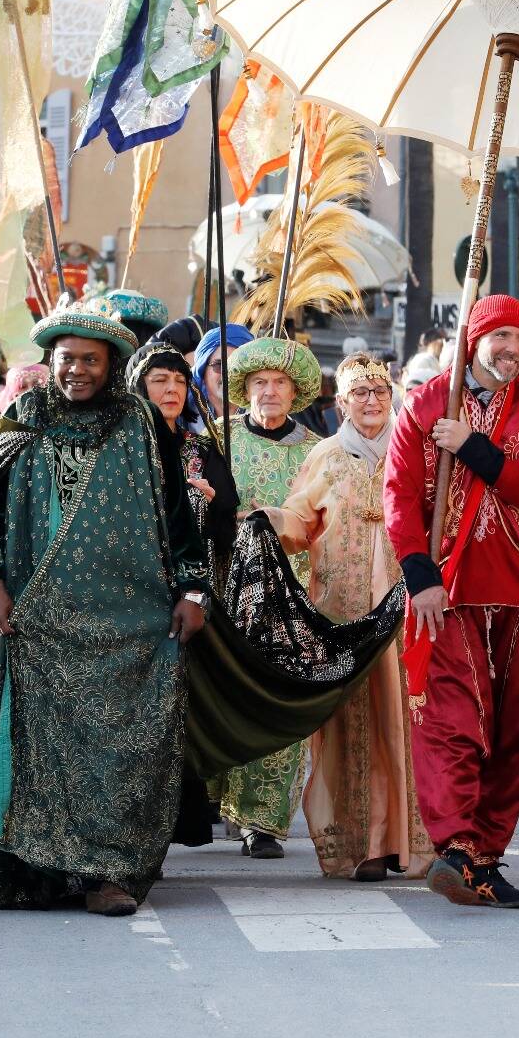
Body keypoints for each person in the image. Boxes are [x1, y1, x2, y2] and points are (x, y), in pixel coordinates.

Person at [0, 310, 210, 917]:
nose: (76, 370)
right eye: (66, 358)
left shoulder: (142, 421)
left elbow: (177, 513)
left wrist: (193, 591)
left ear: (111, 365)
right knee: (37, 752)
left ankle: (110, 876)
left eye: (89, 360)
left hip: (129, 621)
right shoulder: (23, 418)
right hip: (36, 620)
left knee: (117, 750)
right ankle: (39, 874)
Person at [384, 294, 519, 910]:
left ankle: (486, 857)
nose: (513, 351)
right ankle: (456, 849)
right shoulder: (428, 401)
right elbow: (401, 496)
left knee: (513, 727)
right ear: (474, 339)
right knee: (453, 724)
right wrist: (418, 572)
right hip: (449, 590)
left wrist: (473, 448)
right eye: (502, 339)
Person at [269, 352, 430, 882]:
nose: (370, 401)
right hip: (341, 611)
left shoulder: (414, 453)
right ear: (340, 403)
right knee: (349, 726)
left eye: (379, 391)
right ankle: (361, 844)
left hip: (405, 612)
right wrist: (263, 522)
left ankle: (408, 843)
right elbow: (299, 520)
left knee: (404, 722)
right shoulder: (326, 458)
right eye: (358, 392)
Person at [218, 336, 323, 859]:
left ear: (295, 390)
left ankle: (265, 820)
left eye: (279, 383)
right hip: (229, 585)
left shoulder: (314, 450)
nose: (269, 392)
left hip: (293, 589)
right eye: (260, 383)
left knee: (281, 700)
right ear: (245, 390)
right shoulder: (221, 441)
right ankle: (222, 803)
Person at [126, 340, 238, 577]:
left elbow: (227, 533)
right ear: (138, 386)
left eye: (180, 381)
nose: (172, 389)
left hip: (195, 586)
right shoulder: (121, 450)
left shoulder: (203, 450)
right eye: (160, 380)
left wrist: (209, 504)